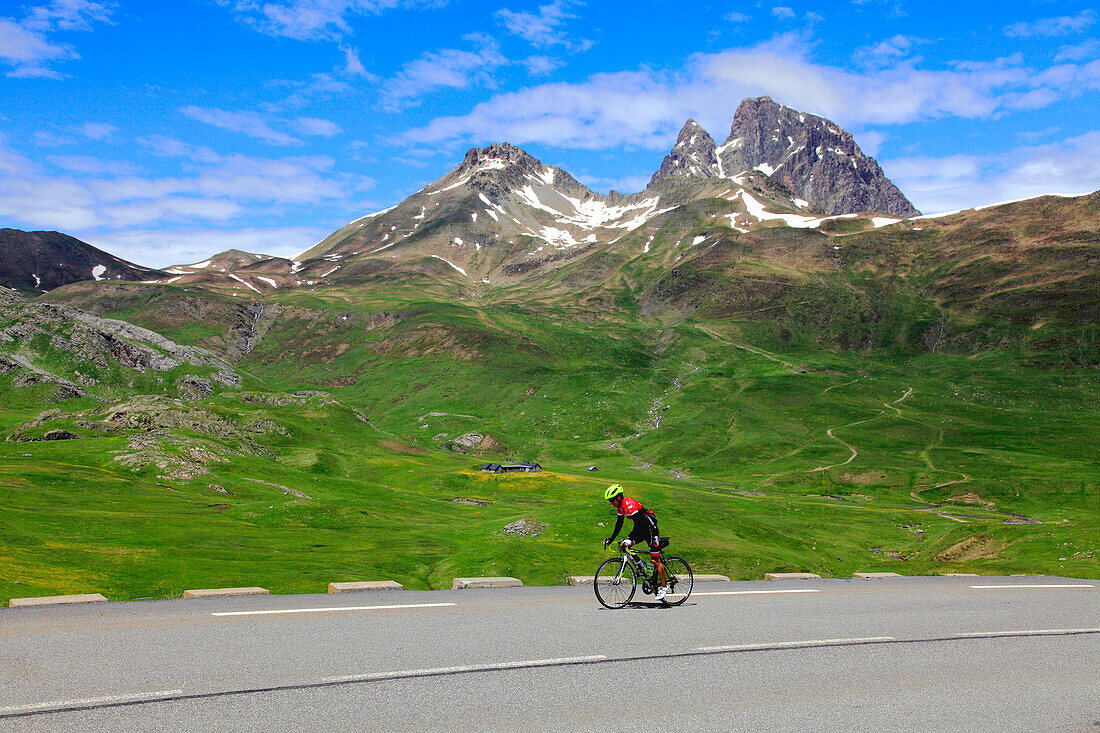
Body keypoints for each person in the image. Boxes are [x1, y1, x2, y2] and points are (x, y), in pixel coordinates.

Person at [602, 484, 670, 600]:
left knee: (656, 560)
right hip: (640, 529)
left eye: (612, 500)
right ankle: (643, 567)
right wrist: (611, 539)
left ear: (618, 497)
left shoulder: (630, 505)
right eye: (609, 501)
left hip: (650, 530)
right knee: (624, 546)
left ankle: (664, 587)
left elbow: (641, 525)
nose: (611, 503)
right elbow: (619, 524)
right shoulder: (621, 507)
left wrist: (630, 539)